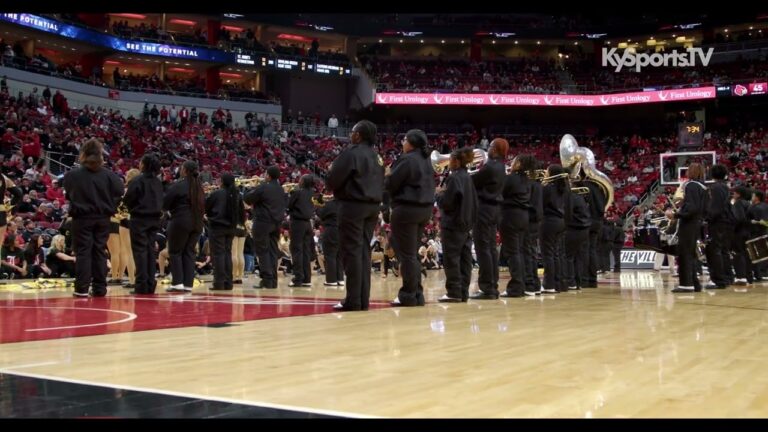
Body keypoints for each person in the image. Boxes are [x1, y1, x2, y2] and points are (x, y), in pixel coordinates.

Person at [326, 120, 384, 311]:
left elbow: (333, 180)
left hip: (353, 206)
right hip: (373, 207)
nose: (351, 135)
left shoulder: (351, 153)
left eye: (352, 132)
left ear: (358, 135)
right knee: (363, 252)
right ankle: (362, 300)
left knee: (351, 252)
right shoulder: (377, 157)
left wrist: (330, 174)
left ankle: (353, 300)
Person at [62, 139, 123, 297]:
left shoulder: (72, 174)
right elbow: (120, 191)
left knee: (83, 251)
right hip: (103, 218)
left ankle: (81, 289)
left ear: (83, 154)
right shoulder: (109, 175)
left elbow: (68, 194)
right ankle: (99, 288)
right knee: (99, 251)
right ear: (100, 155)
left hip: (81, 218)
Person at [385, 129, 435, 307]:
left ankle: (408, 294)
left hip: (407, 209)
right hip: (424, 210)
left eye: (404, 140)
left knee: (406, 255)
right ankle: (417, 294)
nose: (402, 143)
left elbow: (391, 183)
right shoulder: (426, 160)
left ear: (411, 143)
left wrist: (387, 174)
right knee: (411, 253)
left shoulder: (407, 159)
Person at [437, 148, 478, 302]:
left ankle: (453, 292)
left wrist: (439, 194)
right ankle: (463, 292)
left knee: (451, 259)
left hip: (453, 224)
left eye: (452, 159)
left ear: (458, 161)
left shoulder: (454, 178)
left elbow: (447, 203)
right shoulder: (467, 177)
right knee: (465, 260)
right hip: (466, 224)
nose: (449, 162)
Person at [469, 138, 508, 300]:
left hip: (484, 209)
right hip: (494, 210)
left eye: (490, 146)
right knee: (491, 248)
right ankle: (492, 285)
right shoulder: (500, 166)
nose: (488, 149)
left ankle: (487, 288)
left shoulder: (490, 166)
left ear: (496, 150)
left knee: (483, 249)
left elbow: (471, 182)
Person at [123, 153, 163, 295]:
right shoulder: (158, 182)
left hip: (139, 219)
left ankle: (141, 285)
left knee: (140, 252)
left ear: (144, 164)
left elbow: (128, 199)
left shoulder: (137, 180)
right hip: (154, 220)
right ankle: (150, 284)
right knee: (150, 251)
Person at [163, 161, 205, 292]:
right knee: (189, 252)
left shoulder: (179, 185)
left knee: (175, 252)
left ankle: (177, 283)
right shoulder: (199, 187)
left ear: (185, 171)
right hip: (197, 223)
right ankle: (188, 284)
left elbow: (165, 203)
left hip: (180, 221)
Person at [243, 166, 287, 289]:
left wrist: (251, 187)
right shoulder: (281, 189)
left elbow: (247, 198)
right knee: (273, 251)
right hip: (276, 223)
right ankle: (273, 280)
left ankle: (267, 279)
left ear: (268, 175)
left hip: (263, 222)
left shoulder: (263, 187)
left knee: (262, 251)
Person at [669, 163, 708, 292]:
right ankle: (694, 283)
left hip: (689, 223)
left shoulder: (691, 185)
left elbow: (691, 207)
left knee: (684, 253)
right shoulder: (703, 187)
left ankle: (686, 284)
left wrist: (676, 214)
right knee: (691, 253)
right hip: (697, 223)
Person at [500, 154, 535, 297]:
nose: (511, 162)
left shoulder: (510, 178)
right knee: (519, 251)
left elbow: (500, 193)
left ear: (519, 163)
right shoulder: (527, 180)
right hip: (523, 217)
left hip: (510, 216)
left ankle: (516, 287)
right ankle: (523, 285)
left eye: (514, 161)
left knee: (513, 253)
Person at [205, 173, 244, 290]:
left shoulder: (216, 193)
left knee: (218, 255)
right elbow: (241, 213)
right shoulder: (237, 195)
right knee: (227, 254)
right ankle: (228, 282)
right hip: (231, 228)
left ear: (222, 181)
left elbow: (207, 208)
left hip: (217, 227)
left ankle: (219, 282)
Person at [704, 164, 735, 289]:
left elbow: (716, 208)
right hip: (726, 222)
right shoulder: (726, 186)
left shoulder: (715, 187)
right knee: (724, 251)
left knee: (715, 250)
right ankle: (728, 277)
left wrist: (707, 218)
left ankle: (719, 280)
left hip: (718, 223)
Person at [540, 165, 568, 294]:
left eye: (547, 171)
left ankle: (549, 284)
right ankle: (558, 283)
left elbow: (541, 205)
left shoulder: (548, 188)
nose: (545, 173)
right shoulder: (563, 188)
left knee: (548, 254)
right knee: (556, 254)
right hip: (560, 222)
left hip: (549, 221)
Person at [287, 175, 315, 287]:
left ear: (303, 182)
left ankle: (298, 278)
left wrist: (288, 194)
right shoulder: (312, 193)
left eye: (301, 179)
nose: (299, 181)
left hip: (298, 223)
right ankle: (306, 279)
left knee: (297, 251)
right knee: (306, 251)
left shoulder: (297, 192)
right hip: (308, 224)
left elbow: (288, 205)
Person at [317, 195, 344, 286]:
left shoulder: (331, 205)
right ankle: (340, 279)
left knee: (330, 255)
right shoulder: (344, 204)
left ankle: (331, 280)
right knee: (339, 255)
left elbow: (321, 214)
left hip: (331, 230)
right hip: (342, 231)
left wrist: (318, 205)